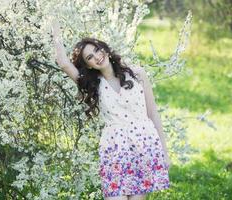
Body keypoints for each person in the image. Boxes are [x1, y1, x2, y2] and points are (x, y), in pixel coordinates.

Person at [51, 19, 171, 200]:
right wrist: (54, 22)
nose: (97, 57)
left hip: (144, 145)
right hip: (114, 149)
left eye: (97, 50)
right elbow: (63, 62)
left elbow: (153, 113)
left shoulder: (137, 74)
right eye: (89, 57)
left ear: (104, 49)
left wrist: (164, 151)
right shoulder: (93, 84)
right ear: (88, 65)